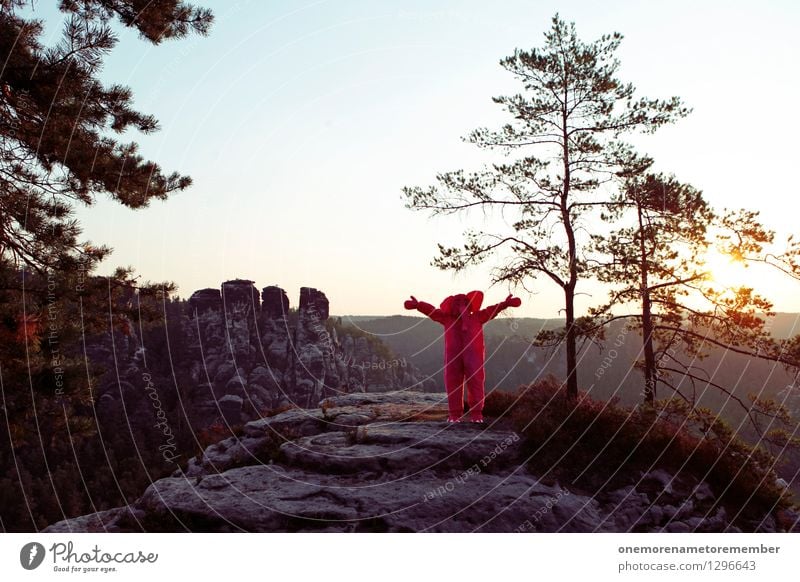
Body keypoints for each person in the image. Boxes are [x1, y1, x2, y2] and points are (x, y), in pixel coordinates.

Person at [404, 291, 521, 423]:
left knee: (476, 382)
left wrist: (505, 304)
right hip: (454, 357)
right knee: (453, 383)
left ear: (470, 304)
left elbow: (491, 310)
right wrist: (419, 305)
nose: (462, 305)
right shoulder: (448, 318)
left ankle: (476, 414)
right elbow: (433, 312)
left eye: (465, 302)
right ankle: (454, 414)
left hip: (474, 356)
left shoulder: (476, 317)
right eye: (458, 303)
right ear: (451, 305)